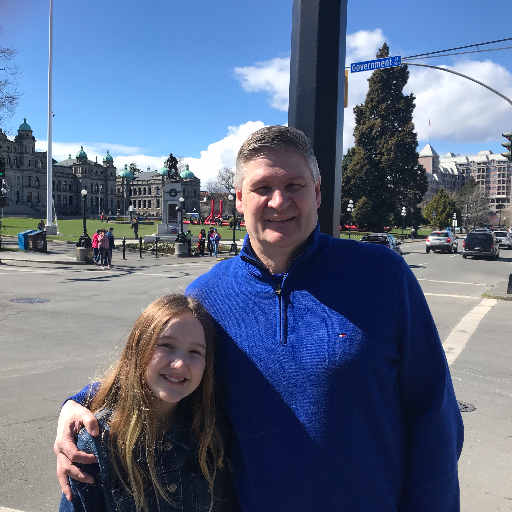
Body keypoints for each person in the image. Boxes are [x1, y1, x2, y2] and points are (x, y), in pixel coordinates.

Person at [54, 126, 463, 511]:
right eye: (262, 187)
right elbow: (160, 368)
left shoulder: (382, 276)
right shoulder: (207, 297)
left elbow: (435, 419)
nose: (279, 201)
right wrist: (79, 402)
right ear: (238, 199)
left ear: (318, 193)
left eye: (294, 186)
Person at [58, 294, 237, 512]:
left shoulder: (213, 434)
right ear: (139, 348)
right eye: (167, 345)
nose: (180, 364)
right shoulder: (98, 442)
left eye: (195, 352)